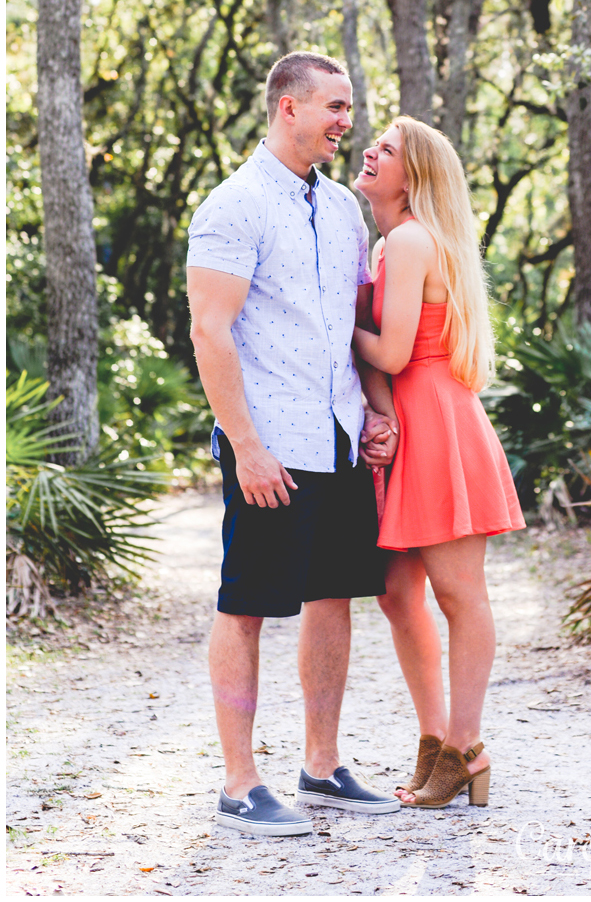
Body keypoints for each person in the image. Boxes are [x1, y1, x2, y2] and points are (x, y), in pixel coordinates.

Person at [187, 51, 405, 835]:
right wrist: (244, 445)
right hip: (269, 442)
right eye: (335, 108)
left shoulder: (344, 208)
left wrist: (373, 415)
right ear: (289, 107)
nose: (348, 122)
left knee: (333, 598)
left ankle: (321, 766)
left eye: (348, 108)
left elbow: (350, 328)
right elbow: (209, 333)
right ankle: (239, 782)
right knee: (246, 605)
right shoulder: (233, 205)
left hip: (339, 438)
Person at [351, 116, 525, 809]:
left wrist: (333, 322)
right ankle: (434, 743)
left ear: (413, 176)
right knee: (397, 594)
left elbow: (391, 353)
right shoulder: (388, 244)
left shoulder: (412, 238)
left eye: (386, 149)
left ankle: (466, 746)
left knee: (459, 595)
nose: (370, 150)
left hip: (439, 424)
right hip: (412, 422)